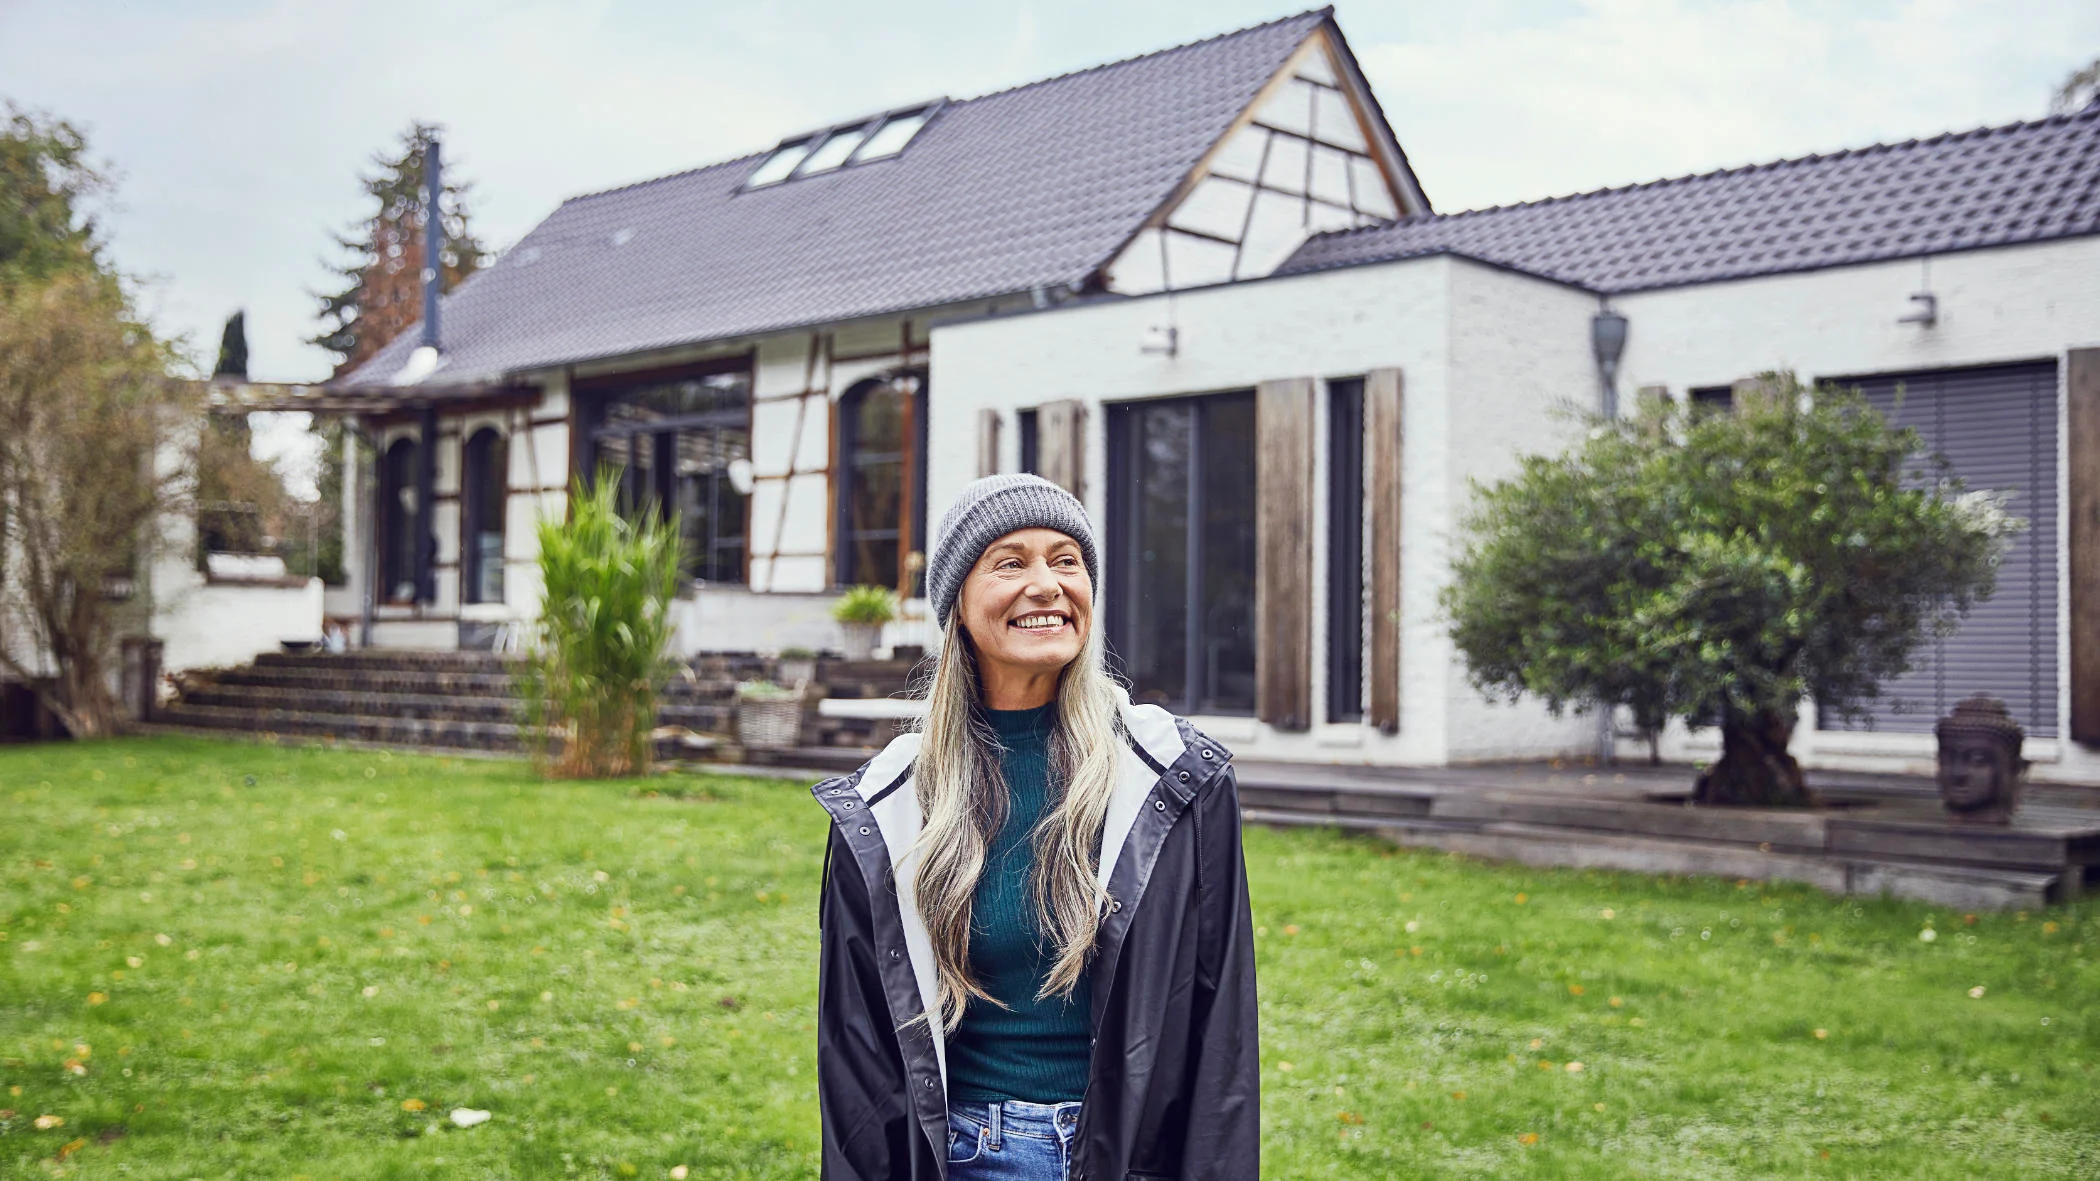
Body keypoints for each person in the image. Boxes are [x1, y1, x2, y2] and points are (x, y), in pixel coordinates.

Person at [812, 473, 1260, 1180]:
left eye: (1066, 560)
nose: (1047, 583)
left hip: (1131, 1156)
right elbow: (856, 1064)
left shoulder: (1176, 777)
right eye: (1011, 562)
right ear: (957, 603)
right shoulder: (885, 805)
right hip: (962, 1157)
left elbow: (1222, 1034)